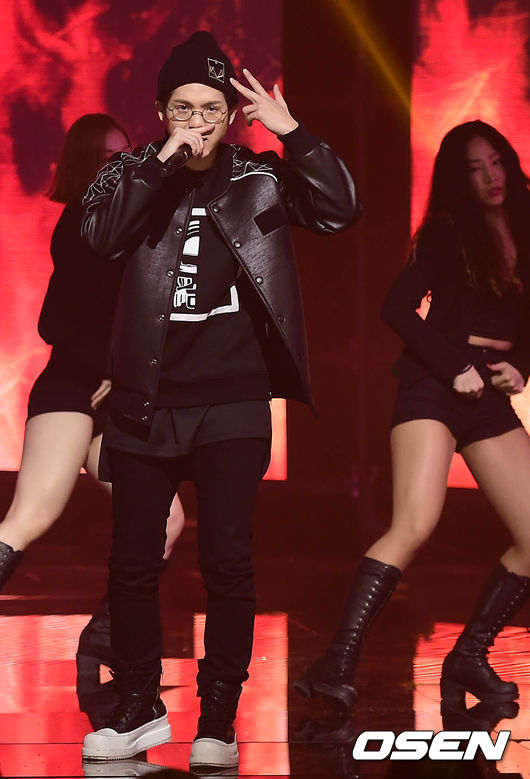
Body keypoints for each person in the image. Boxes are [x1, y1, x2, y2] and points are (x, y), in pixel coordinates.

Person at [79, 31, 360, 769]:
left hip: (232, 401)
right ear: (161, 111)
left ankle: (218, 717)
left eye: (210, 109)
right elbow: (99, 237)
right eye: (183, 109)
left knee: (228, 561)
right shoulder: (130, 173)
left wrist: (293, 132)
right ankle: (139, 706)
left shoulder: (258, 177)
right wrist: (160, 161)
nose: (197, 123)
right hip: (145, 400)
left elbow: (341, 209)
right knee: (131, 562)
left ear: (231, 116)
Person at [295, 120, 530, 712]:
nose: (491, 176)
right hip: (435, 386)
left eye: (496, 162)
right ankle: (335, 664)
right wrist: (454, 366)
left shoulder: (526, 227)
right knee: (414, 524)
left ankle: (469, 656)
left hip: (488, 394)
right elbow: (396, 307)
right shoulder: (449, 230)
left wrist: (521, 367)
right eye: (474, 168)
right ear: (458, 179)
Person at [0, 114, 185, 668]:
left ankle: (104, 635)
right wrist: (108, 366)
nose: (122, 165)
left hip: (115, 397)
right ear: (85, 167)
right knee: (31, 516)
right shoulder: (83, 223)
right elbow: (53, 321)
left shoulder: (136, 227)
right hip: (75, 387)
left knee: (167, 521)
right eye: (108, 158)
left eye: (126, 154)